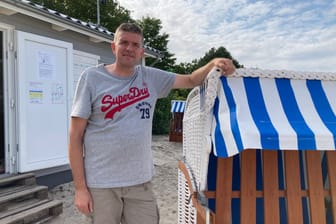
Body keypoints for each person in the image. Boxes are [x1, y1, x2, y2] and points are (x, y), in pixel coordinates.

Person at [68, 22, 235, 224]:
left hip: (140, 184)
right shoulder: (92, 78)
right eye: (124, 43)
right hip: (101, 185)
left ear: (141, 52)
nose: (129, 48)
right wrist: (80, 189)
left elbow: (191, 80)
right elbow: (75, 136)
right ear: (114, 47)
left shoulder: (151, 77)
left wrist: (213, 63)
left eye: (135, 45)